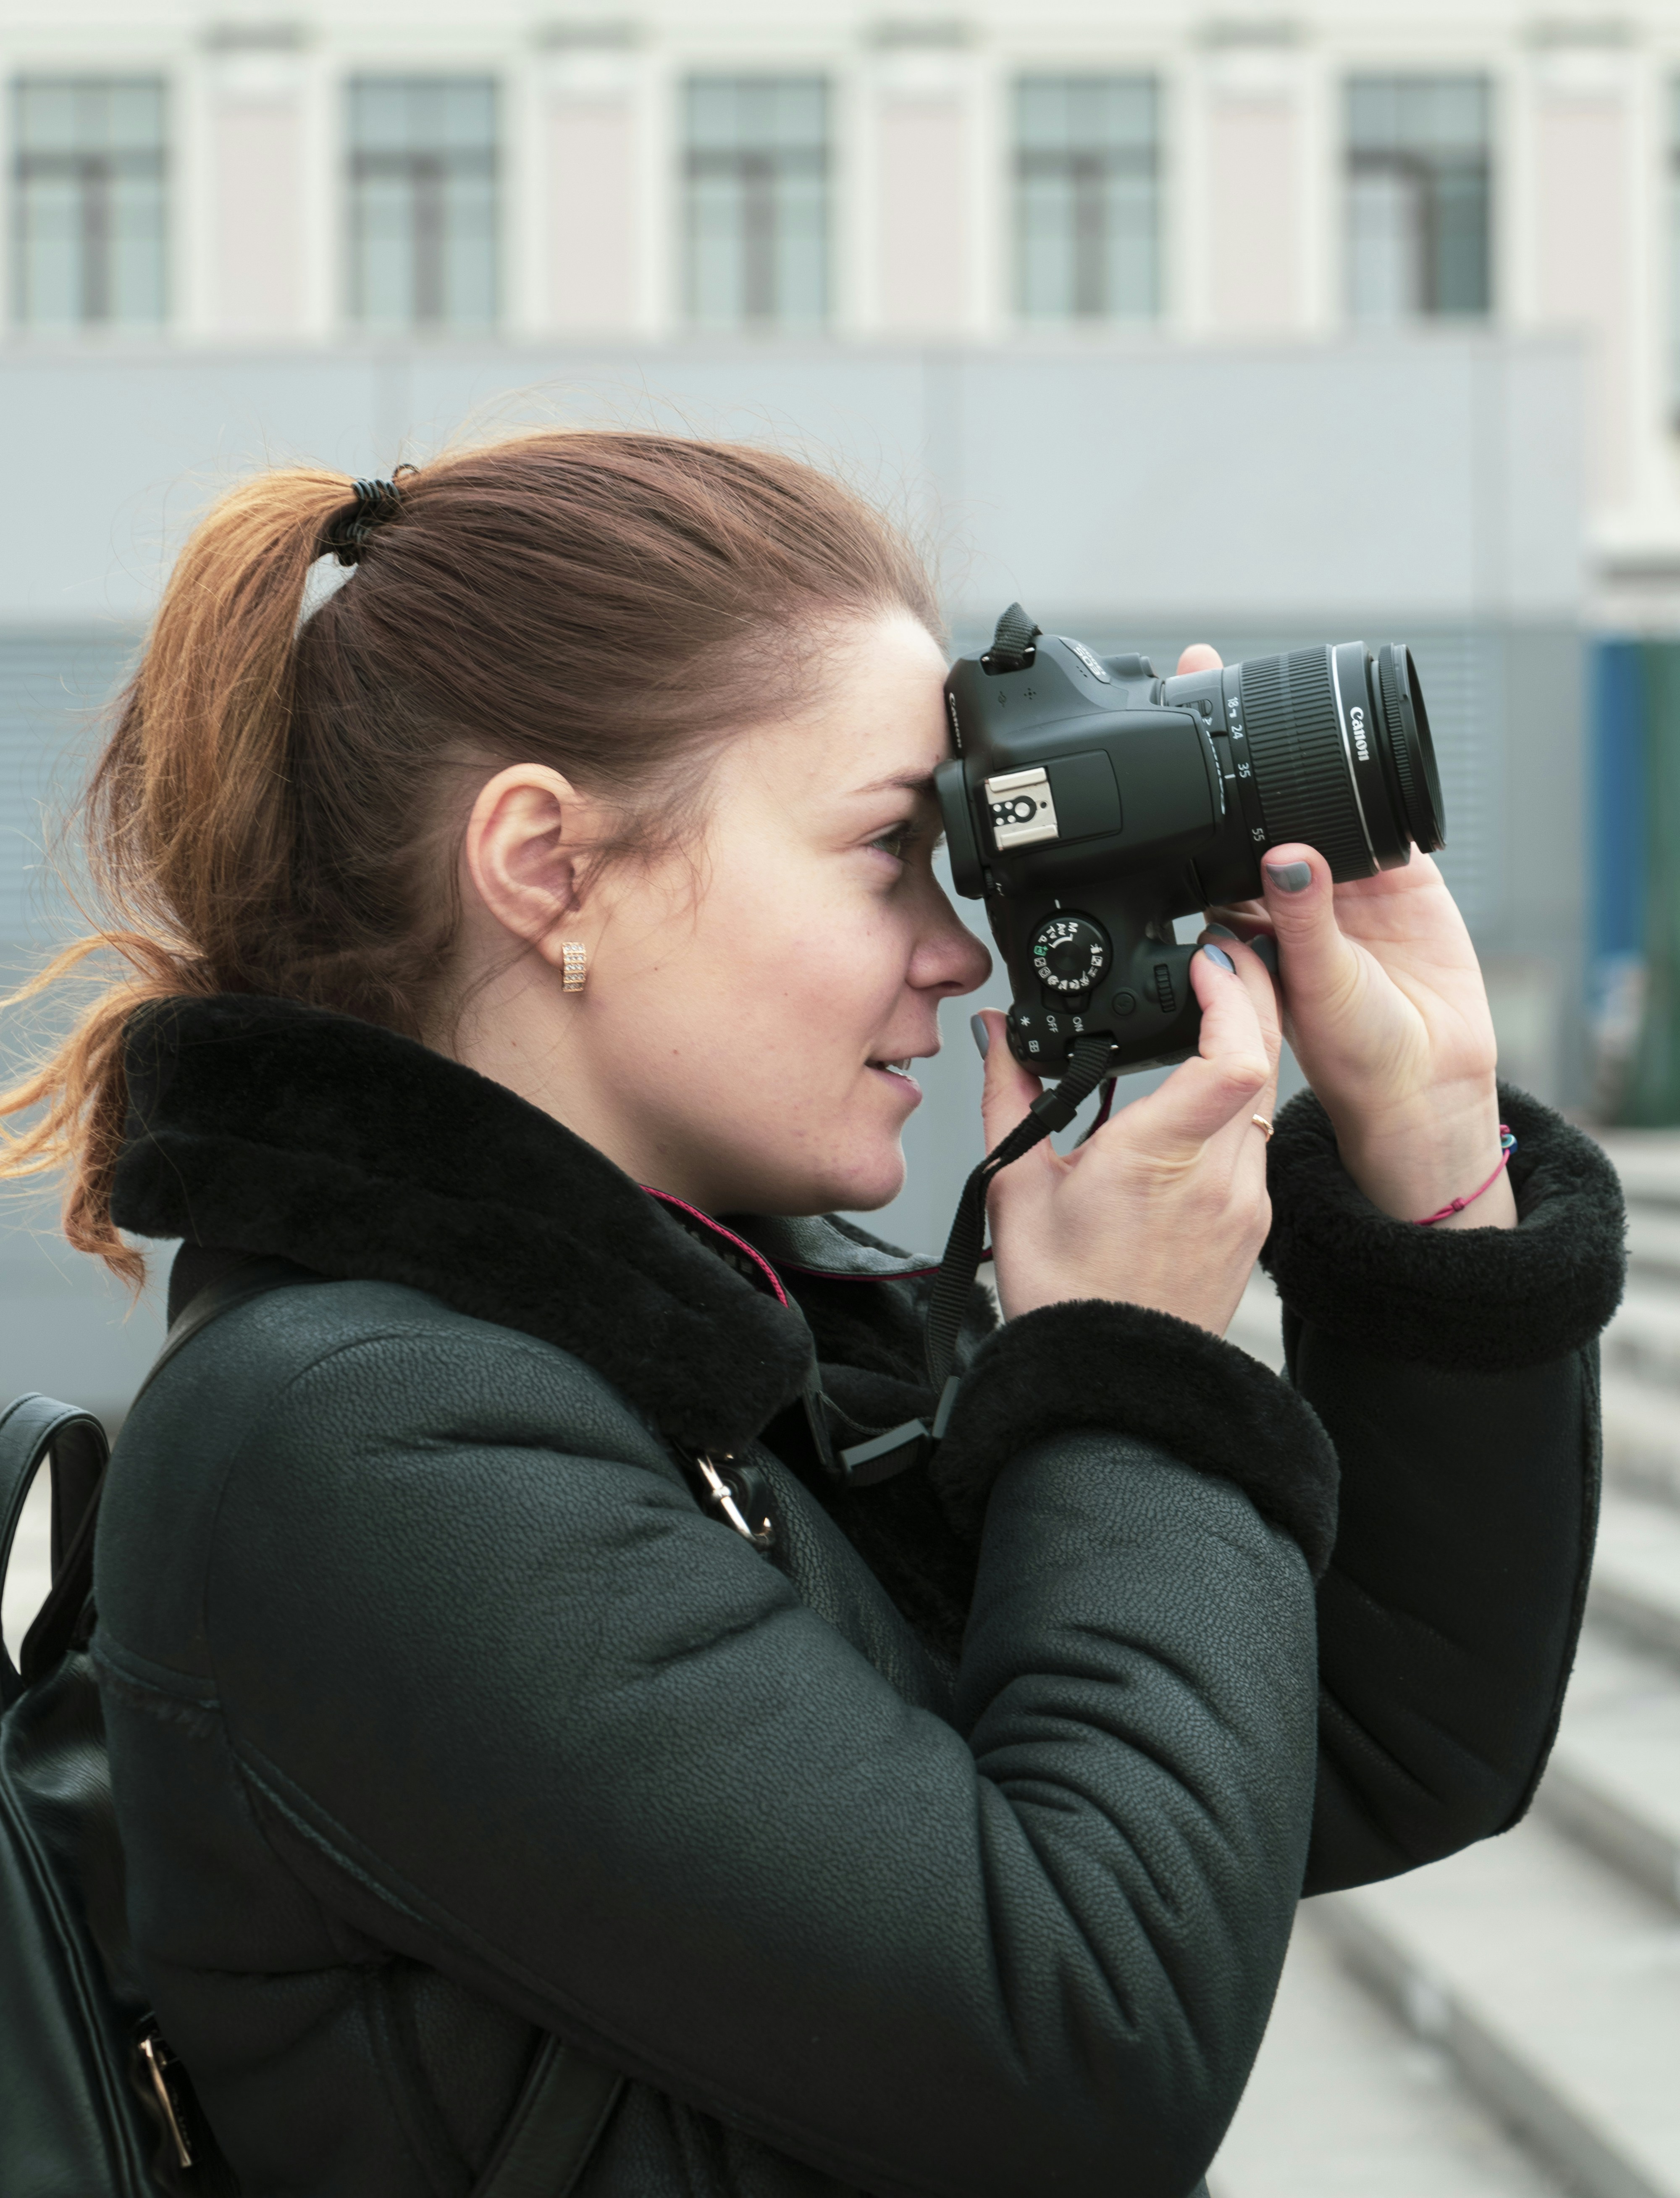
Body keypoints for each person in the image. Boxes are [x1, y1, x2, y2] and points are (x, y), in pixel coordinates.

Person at [0, 433, 1622, 2198]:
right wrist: (1125, 1378)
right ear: (545, 863)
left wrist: (1430, 1154)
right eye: (885, 853)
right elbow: (1081, 2043)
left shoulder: (696, 1356)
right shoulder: (351, 1442)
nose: (957, 949)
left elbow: (1390, 1742)